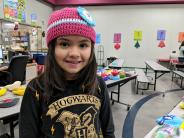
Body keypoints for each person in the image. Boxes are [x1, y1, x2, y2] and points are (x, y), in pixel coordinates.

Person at [19, 7, 115, 138]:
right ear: (52, 48)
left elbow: (108, 130)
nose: (74, 54)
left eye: (83, 45)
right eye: (64, 44)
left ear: (91, 48)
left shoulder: (98, 85)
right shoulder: (35, 89)